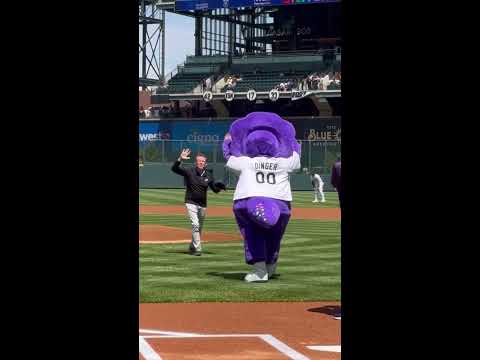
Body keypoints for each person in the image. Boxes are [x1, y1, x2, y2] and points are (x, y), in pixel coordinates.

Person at [171, 149, 226, 256]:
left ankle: (192, 246)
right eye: (199, 161)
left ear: (205, 163)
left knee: (199, 227)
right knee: (195, 225)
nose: (201, 162)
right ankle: (198, 249)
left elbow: (214, 189)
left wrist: (220, 187)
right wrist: (180, 159)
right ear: (196, 162)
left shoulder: (209, 175)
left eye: (202, 161)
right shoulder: (189, 171)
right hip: (190, 202)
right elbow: (174, 169)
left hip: (203, 205)